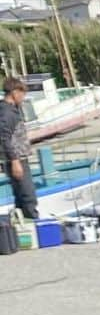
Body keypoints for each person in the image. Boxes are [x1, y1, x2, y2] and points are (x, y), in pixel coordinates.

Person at [1, 76, 39, 220]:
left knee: (20, 197)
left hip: (13, 158)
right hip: (17, 159)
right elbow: (4, 137)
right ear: (14, 92)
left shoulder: (8, 109)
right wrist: (15, 161)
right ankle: (34, 225)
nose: (23, 97)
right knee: (28, 195)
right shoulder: (8, 113)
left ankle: (23, 228)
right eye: (22, 94)